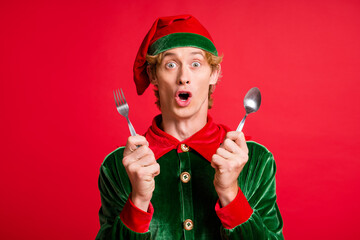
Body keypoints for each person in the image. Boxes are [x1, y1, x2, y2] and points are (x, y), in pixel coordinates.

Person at [96, 15, 284, 240]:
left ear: (213, 74)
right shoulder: (119, 166)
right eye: (171, 64)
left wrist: (230, 193)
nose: (183, 77)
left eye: (196, 64)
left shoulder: (255, 161)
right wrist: (138, 201)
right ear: (153, 75)